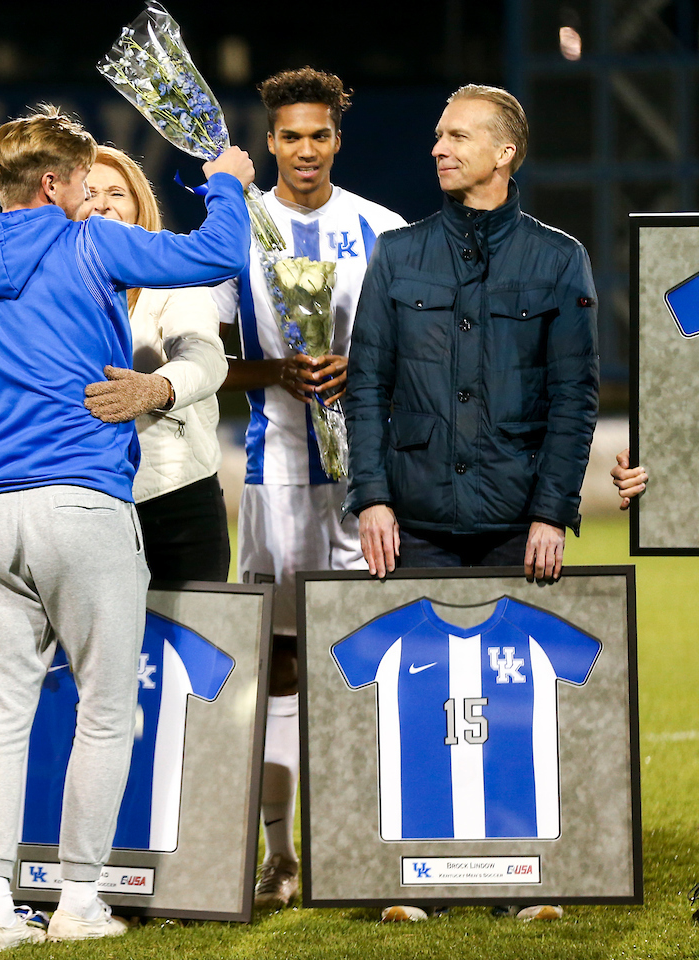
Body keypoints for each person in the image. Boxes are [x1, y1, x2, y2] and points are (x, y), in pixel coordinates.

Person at [0, 106, 252, 950]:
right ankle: (79, 900)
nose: (92, 193)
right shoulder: (89, 243)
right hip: (85, 504)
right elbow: (216, 254)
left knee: (0, 717)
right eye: (85, 180)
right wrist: (227, 185)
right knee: (104, 708)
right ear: (53, 184)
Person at [343, 84, 600, 922]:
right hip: (411, 516)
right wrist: (372, 498)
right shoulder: (397, 254)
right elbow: (366, 389)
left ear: (504, 153)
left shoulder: (559, 259)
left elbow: (575, 396)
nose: (438, 148)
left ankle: (523, 880)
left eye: (457, 136)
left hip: (515, 519)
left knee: (516, 704)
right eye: (439, 135)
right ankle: (414, 878)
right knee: (414, 703)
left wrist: (551, 511)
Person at [211, 67, 406, 909]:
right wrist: (276, 372)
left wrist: (356, 367)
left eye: (318, 135)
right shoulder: (240, 233)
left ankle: (372, 844)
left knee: (377, 656)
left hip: (372, 483)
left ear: (337, 139)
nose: (303, 150)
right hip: (276, 480)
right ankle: (283, 858)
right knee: (283, 663)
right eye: (288, 136)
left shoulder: (382, 229)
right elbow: (209, 362)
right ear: (270, 142)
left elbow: (413, 354)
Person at [81, 145, 230, 582]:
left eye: (117, 193)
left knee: (192, 648)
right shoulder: (49, 286)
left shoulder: (172, 278)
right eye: (90, 193)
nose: (103, 204)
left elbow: (205, 356)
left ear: (140, 206)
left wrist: (156, 389)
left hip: (177, 498)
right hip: (87, 500)